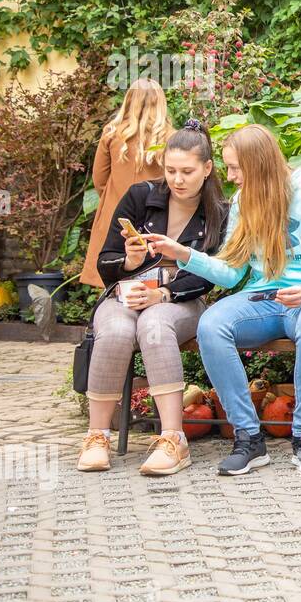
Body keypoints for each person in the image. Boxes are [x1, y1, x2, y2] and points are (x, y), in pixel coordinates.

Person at [148, 124, 301, 476]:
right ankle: (248, 437)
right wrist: (184, 253)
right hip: (264, 299)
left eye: (236, 168)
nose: (231, 177)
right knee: (211, 325)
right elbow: (230, 273)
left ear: (258, 164)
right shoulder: (245, 202)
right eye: (228, 167)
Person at [77, 120, 228, 475]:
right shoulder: (140, 196)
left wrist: (164, 292)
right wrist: (128, 262)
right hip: (126, 295)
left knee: (156, 326)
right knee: (114, 332)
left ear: (206, 169)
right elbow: (105, 262)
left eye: (187, 171)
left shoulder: (218, 211)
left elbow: (212, 273)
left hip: (181, 300)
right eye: (171, 170)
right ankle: (97, 435)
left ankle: (174, 438)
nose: (177, 179)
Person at [82, 78, 171, 288]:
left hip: (116, 213)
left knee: (110, 273)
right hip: (153, 217)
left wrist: (115, 197)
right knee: (149, 279)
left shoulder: (112, 134)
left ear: (129, 101)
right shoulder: (170, 138)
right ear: (160, 104)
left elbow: (100, 179)